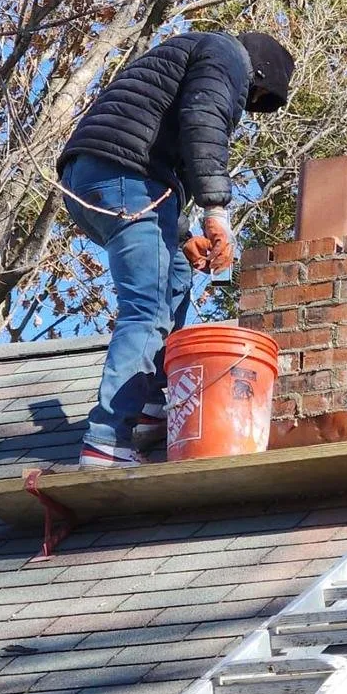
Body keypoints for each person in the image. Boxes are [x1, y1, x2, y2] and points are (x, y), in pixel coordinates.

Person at [57, 30, 295, 468]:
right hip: (126, 178)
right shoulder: (227, 55)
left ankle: (150, 404)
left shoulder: (194, 53)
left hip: (95, 180)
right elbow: (203, 123)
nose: (250, 102)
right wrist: (216, 213)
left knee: (178, 275)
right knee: (147, 311)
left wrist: (184, 237)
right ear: (258, 73)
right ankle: (107, 440)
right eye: (256, 95)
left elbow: (161, 146)